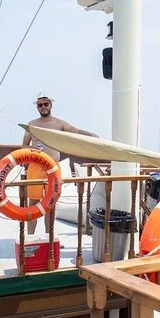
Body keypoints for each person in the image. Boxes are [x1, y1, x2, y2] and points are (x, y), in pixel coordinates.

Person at [22, 91, 98, 234]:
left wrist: (91, 135)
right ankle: (30, 237)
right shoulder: (32, 124)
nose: (43, 107)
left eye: (46, 104)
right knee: (33, 203)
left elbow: (75, 131)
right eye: (40, 105)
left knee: (51, 204)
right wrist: (31, 149)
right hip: (36, 167)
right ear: (37, 107)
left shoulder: (59, 123)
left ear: (50, 105)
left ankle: (49, 237)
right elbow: (24, 145)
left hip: (53, 167)